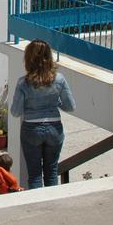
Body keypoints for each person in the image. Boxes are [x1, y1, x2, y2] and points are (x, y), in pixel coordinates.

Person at [10, 39, 76, 188]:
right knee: (52, 171)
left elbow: (15, 112)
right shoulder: (59, 79)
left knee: (34, 174)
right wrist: (55, 102)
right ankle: (53, 206)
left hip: (31, 129)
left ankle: (38, 206)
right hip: (54, 128)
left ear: (29, 59)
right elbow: (71, 106)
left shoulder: (23, 82)